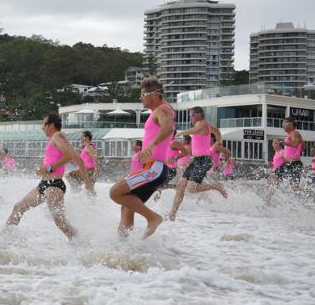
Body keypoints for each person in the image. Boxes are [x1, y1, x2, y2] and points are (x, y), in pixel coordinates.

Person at [6, 114, 95, 240]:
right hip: (45, 184)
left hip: (54, 185)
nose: (43, 128)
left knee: (60, 222)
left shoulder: (57, 136)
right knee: (18, 207)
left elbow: (69, 156)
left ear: (51, 125)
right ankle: (6, 237)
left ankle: (80, 242)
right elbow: (79, 160)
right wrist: (88, 184)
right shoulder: (60, 138)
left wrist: (49, 168)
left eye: (44, 125)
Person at [109, 77, 174, 239]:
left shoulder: (162, 110)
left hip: (155, 168)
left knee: (115, 193)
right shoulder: (160, 111)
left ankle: (153, 217)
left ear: (156, 95)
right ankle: (123, 246)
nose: (141, 98)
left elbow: (168, 128)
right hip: (151, 168)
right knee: (126, 206)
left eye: (144, 95)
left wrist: (150, 146)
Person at [168, 107, 227, 221]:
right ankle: (172, 213)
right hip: (196, 160)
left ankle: (216, 186)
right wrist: (219, 141)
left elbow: (195, 130)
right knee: (181, 186)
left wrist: (181, 133)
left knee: (192, 188)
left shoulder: (202, 124)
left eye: (191, 115)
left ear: (198, 115)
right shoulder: (206, 126)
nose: (190, 118)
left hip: (204, 160)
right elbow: (218, 132)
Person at [275, 117, 304, 190]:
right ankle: (273, 196)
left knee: (295, 187)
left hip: (294, 164)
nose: (282, 126)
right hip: (291, 163)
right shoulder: (293, 134)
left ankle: (308, 198)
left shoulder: (294, 132)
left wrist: (284, 142)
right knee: (274, 178)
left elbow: (295, 143)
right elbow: (302, 145)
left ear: (290, 124)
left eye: (284, 124)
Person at [65, 130, 98, 195]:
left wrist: (96, 170)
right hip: (89, 170)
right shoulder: (87, 146)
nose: (80, 138)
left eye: (82, 136)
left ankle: (76, 188)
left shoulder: (89, 147)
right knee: (89, 188)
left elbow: (95, 158)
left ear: (87, 138)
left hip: (88, 170)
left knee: (68, 175)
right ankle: (94, 203)